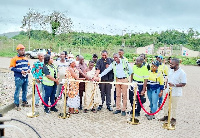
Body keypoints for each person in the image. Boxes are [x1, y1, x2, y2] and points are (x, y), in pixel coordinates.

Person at [159, 58, 187, 126]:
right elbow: (167, 79)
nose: (170, 65)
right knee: (166, 105)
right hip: (168, 91)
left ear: (177, 64)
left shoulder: (182, 73)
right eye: (170, 63)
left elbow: (183, 83)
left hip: (176, 93)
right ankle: (166, 116)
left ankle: (174, 118)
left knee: (174, 106)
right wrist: (165, 87)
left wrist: (174, 85)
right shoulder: (170, 71)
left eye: (172, 64)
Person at [10, 44, 31, 111]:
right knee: (18, 91)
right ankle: (16, 104)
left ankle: (24, 102)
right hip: (19, 77)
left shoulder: (26, 58)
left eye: (23, 50)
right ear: (18, 51)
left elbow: (28, 66)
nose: (23, 51)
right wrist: (20, 71)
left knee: (25, 90)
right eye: (21, 50)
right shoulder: (14, 59)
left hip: (25, 77)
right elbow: (11, 68)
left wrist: (28, 69)